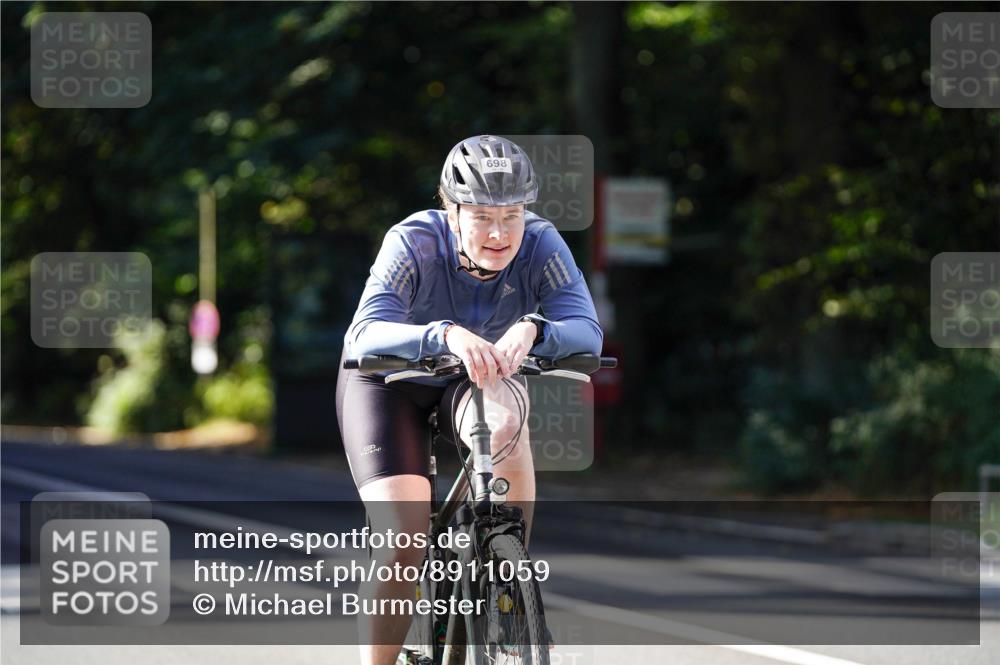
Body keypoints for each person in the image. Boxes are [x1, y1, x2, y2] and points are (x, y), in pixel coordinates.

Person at [335, 135, 603, 665]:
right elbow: (364, 333)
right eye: (481, 215)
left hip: (478, 377)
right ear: (451, 211)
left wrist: (534, 329)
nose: (500, 232)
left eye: (512, 213)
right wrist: (445, 335)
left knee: (506, 428)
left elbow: (587, 333)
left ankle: (509, 587)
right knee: (402, 542)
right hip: (390, 382)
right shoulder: (414, 242)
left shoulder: (543, 244)